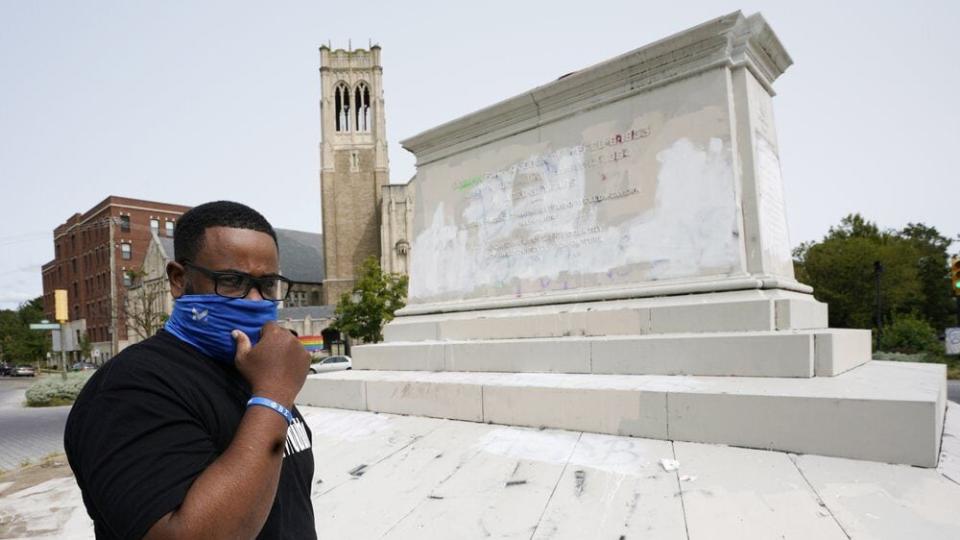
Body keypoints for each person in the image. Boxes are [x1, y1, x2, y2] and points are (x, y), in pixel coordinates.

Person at [64, 201, 316, 539]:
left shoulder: (253, 370)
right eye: (232, 281)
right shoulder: (131, 388)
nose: (255, 300)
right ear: (179, 279)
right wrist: (274, 396)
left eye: (267, 285)